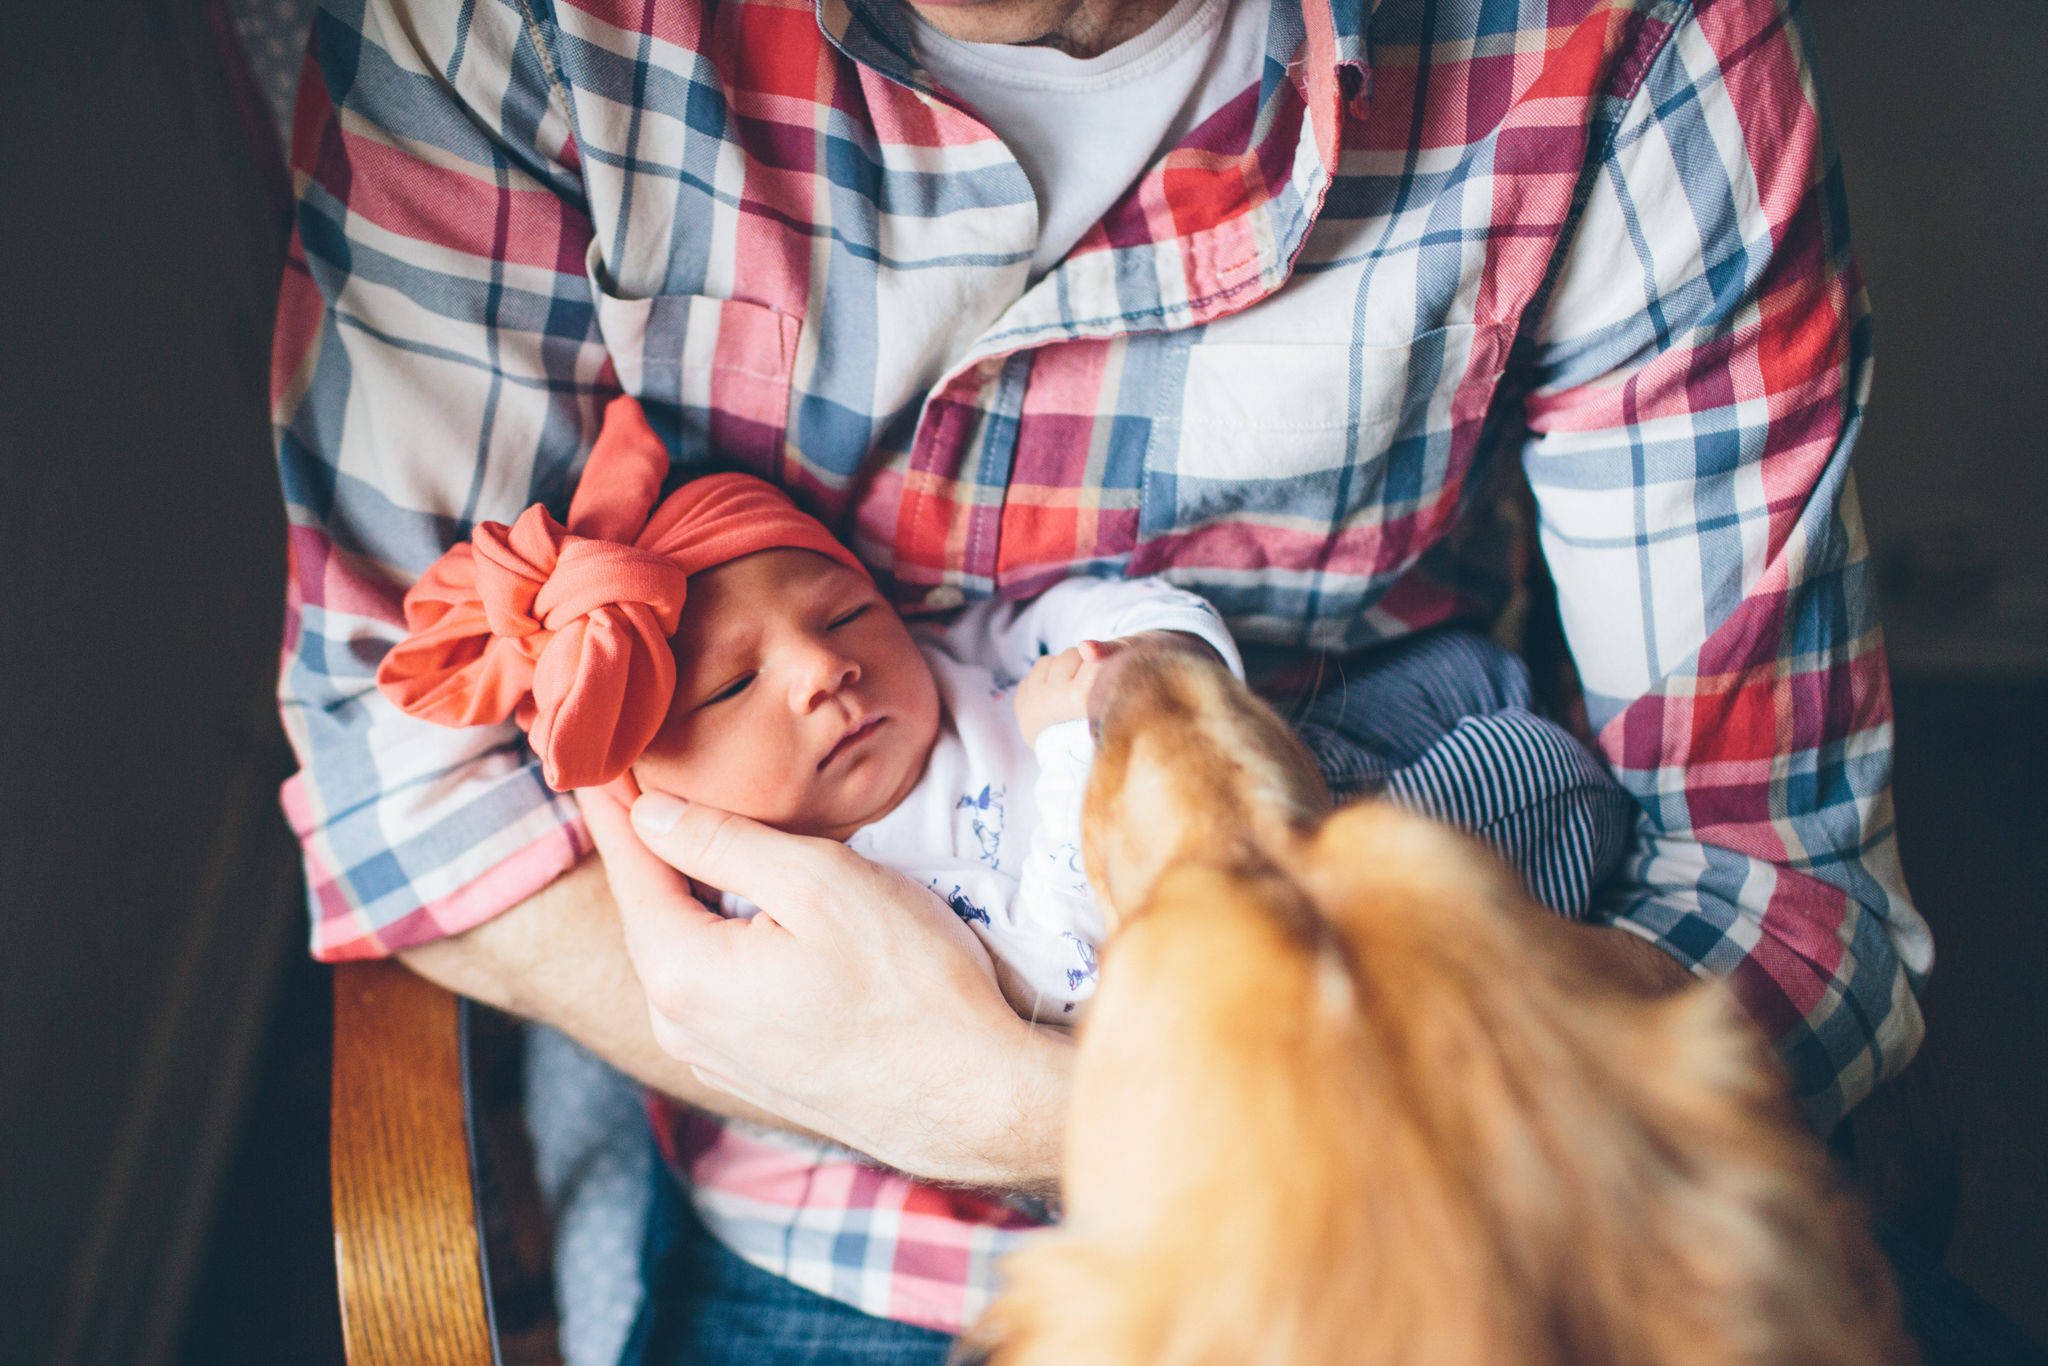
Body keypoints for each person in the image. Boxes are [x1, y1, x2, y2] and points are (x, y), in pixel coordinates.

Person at [273, 0, 1930, 1358]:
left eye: (836, 618)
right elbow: (396, 794)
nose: (822, 674)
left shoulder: (1630, 44)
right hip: (860, 1234)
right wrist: (882, 1084)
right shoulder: (519, 28)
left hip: (1428, 1164)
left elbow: (1782, 901)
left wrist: (1055, 1111)